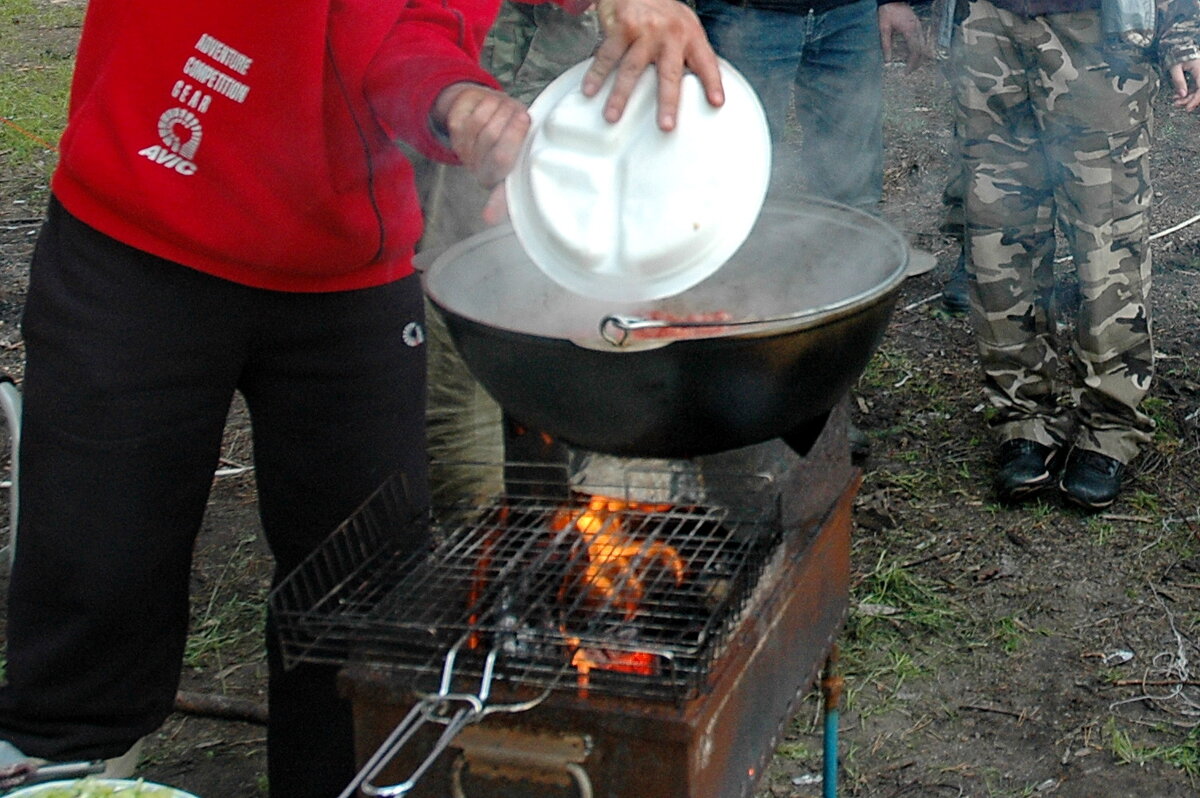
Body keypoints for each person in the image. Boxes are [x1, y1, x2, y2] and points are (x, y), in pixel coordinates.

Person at [0, 1, 723, 796]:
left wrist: (458, 99)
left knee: (360, 606)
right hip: (143, 219)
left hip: (348, 266)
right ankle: (69, 767)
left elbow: (408, 31)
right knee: (95, 584)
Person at [946, 0, 1200, 508]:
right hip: (989, 27)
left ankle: (1110, 426)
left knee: (1107, 239)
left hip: (1097, 38)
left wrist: (1184, 32)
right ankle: (1022, 417)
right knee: (999, 234)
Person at [694, 0, 930, 214]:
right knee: (737, 174)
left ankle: (849, 255)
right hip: (744, 15)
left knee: (851, 184)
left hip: (851, 13)